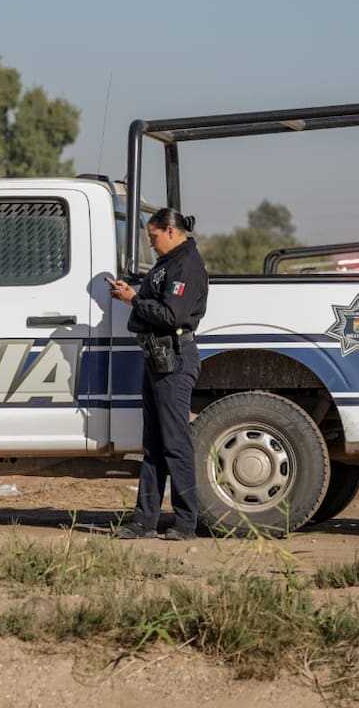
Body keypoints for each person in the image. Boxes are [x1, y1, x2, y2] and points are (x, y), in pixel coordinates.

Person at [106, 208, 209, 541]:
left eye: (153, 237)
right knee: (153, 444)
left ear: (170, 231)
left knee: (175, 443)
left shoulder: (186, 265)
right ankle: (144, 520)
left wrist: (133, 299)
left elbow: (170, 314)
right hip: (157, 357)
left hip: (174, 360)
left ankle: (185, 522)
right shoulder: (169, 264)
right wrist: (133, 294)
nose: (151, 245)